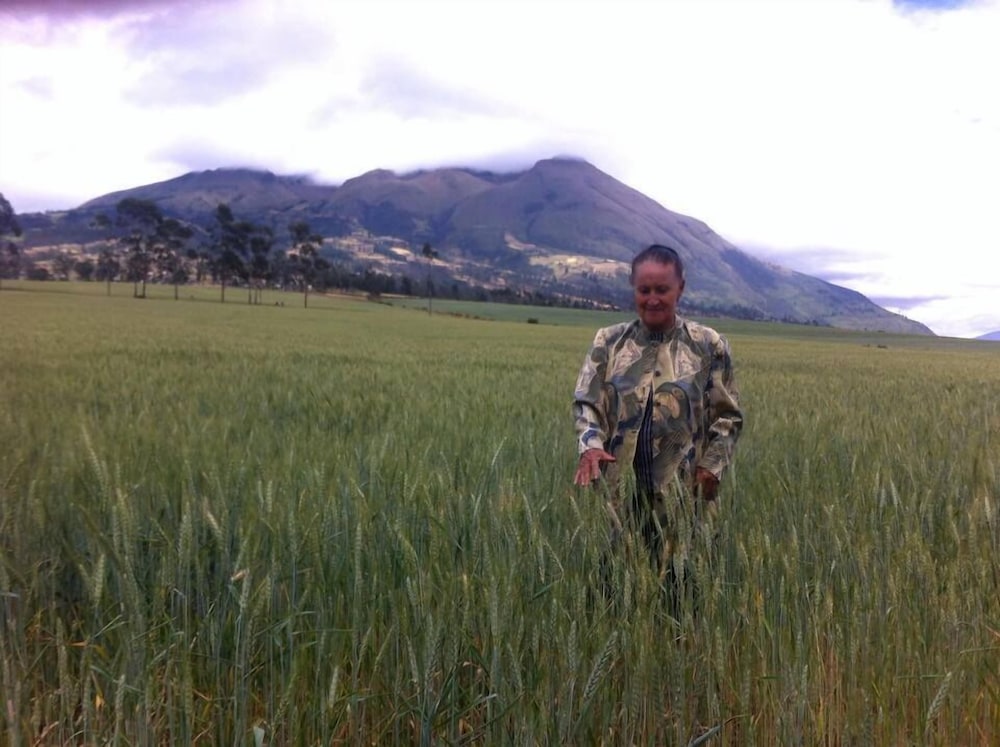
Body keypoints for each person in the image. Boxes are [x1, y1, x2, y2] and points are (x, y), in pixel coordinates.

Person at [572, 244, 743, 598]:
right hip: (619, 501)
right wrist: (590, 445)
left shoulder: (708, 345)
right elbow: (586, 403)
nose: (652, 299)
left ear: (680, 288)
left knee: (682, 599)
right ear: (633, 289)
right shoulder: (609, 342)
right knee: (614, 596)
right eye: (644, 290)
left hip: (685, 503)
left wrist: (712, 467)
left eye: (662, 289)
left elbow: (727, 416)